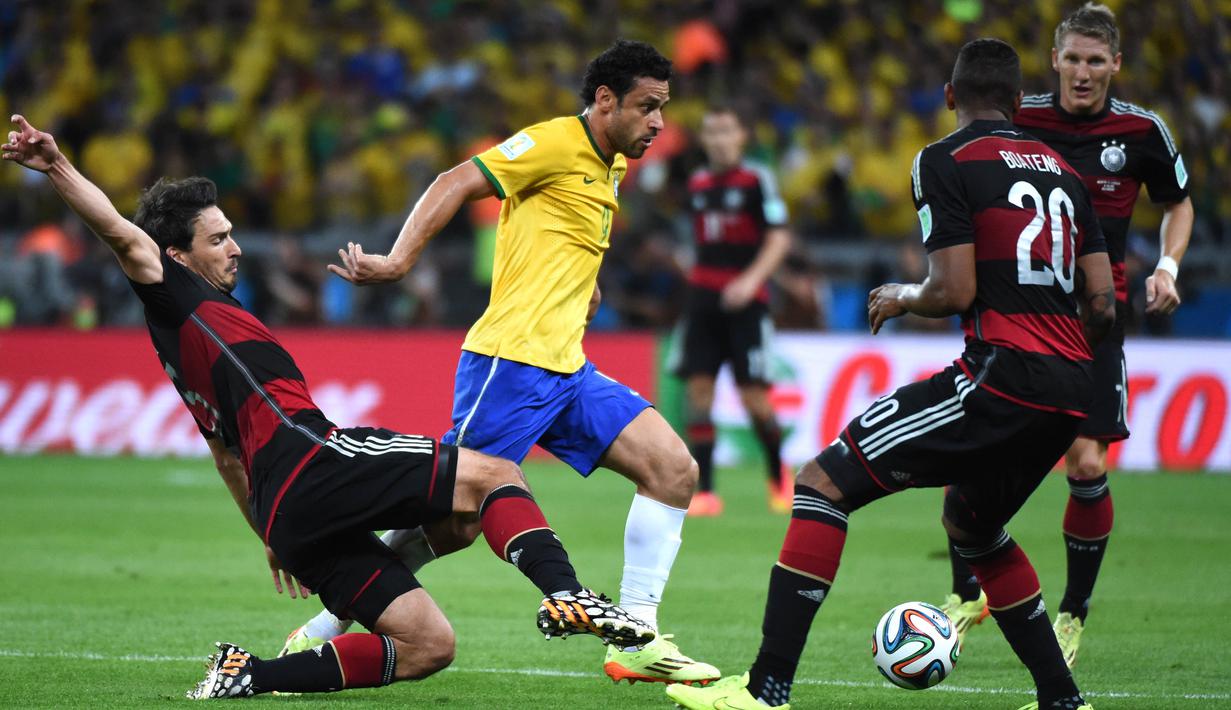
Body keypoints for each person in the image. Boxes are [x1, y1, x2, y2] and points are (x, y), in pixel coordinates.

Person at [2, 115, 655, 700]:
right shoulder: (171, 293)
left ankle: (248, 675)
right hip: (314, 457)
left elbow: (226, 457)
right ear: (177, 256)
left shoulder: (192, 342)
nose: (234, 248)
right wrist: (56, 165)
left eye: (232, 235)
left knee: (428, 646)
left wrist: (270, 534)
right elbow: (122, 235)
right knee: (494, 473)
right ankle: (566, 595)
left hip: (285, 508)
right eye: (218, 238)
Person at [667, 38, 1115, 710]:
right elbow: (1103, 303)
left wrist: (901, 295)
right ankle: (1060, 699)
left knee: (822, 483)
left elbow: (953, 289)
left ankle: (764, 691)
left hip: (1001, 375)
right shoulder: (1065, 173)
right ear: (1020, 104)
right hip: (1069, 384)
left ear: (948, 98)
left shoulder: (944, 159)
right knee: (972, 526)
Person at [282, 39, 719, 686]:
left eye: (662, 108)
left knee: (673, 469)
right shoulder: (550, 142)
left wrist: (584, 286)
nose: (658, 122)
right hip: (509, 364)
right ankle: (327, 622)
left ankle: (637, 639)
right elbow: (453, 180)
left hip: (567, 369)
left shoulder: (611, 164)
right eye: (647, 107)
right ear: (604, 102)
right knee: (452, 521)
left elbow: (561, 234)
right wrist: (398, 262)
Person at [941, 3, 1193, 668]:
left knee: (1085, 463)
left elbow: (1177, 202)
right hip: (1016, 309)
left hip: (1094, 315)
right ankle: (965, 595)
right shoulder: (1019, 116)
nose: (1082, 73)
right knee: (975, 444)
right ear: (1054, 61)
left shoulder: (1141, 130)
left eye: (1094, 61)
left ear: (1114, 64)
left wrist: (1166, 267)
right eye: (1071, 59)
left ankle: (1072, 614)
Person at [672, 106, 794, 517]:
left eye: (726, 130)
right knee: (698, 394)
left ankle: (779, 476)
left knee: (755, 400)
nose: (719, 139)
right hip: (703, 301)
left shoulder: (758, 180)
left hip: (747, 304)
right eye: (711, 131)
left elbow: (778, 239)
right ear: (704, 140)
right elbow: (695, 238)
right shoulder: (698, 183)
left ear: (742, 136)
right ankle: (706, 491)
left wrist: (751, 281)